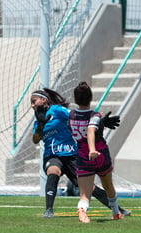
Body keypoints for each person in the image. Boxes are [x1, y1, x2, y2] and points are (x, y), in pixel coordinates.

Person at [30, 88, 130, 218]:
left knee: (89, 187)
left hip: (71, 155)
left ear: (43, 100)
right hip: (53, 155)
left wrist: (101, 121)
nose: (32, 105)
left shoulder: (57, 110)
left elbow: (77, 117)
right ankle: (48, 210)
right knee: (52, 171)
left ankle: (118, 209)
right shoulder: (38, 119)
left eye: (34, 101)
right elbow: (35, 140)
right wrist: (40, 126)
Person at [68, 81, 124, 223]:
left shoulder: (72, 115)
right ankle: (116, 212)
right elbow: (91, 130)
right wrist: (93, 149)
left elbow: (79, 128)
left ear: (75, 99)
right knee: (108, 185)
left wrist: (102, 122)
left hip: (82, 156)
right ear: (91, 98)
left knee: (85, 194)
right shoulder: (95, 115)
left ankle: (82, 210)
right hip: (99, 154)